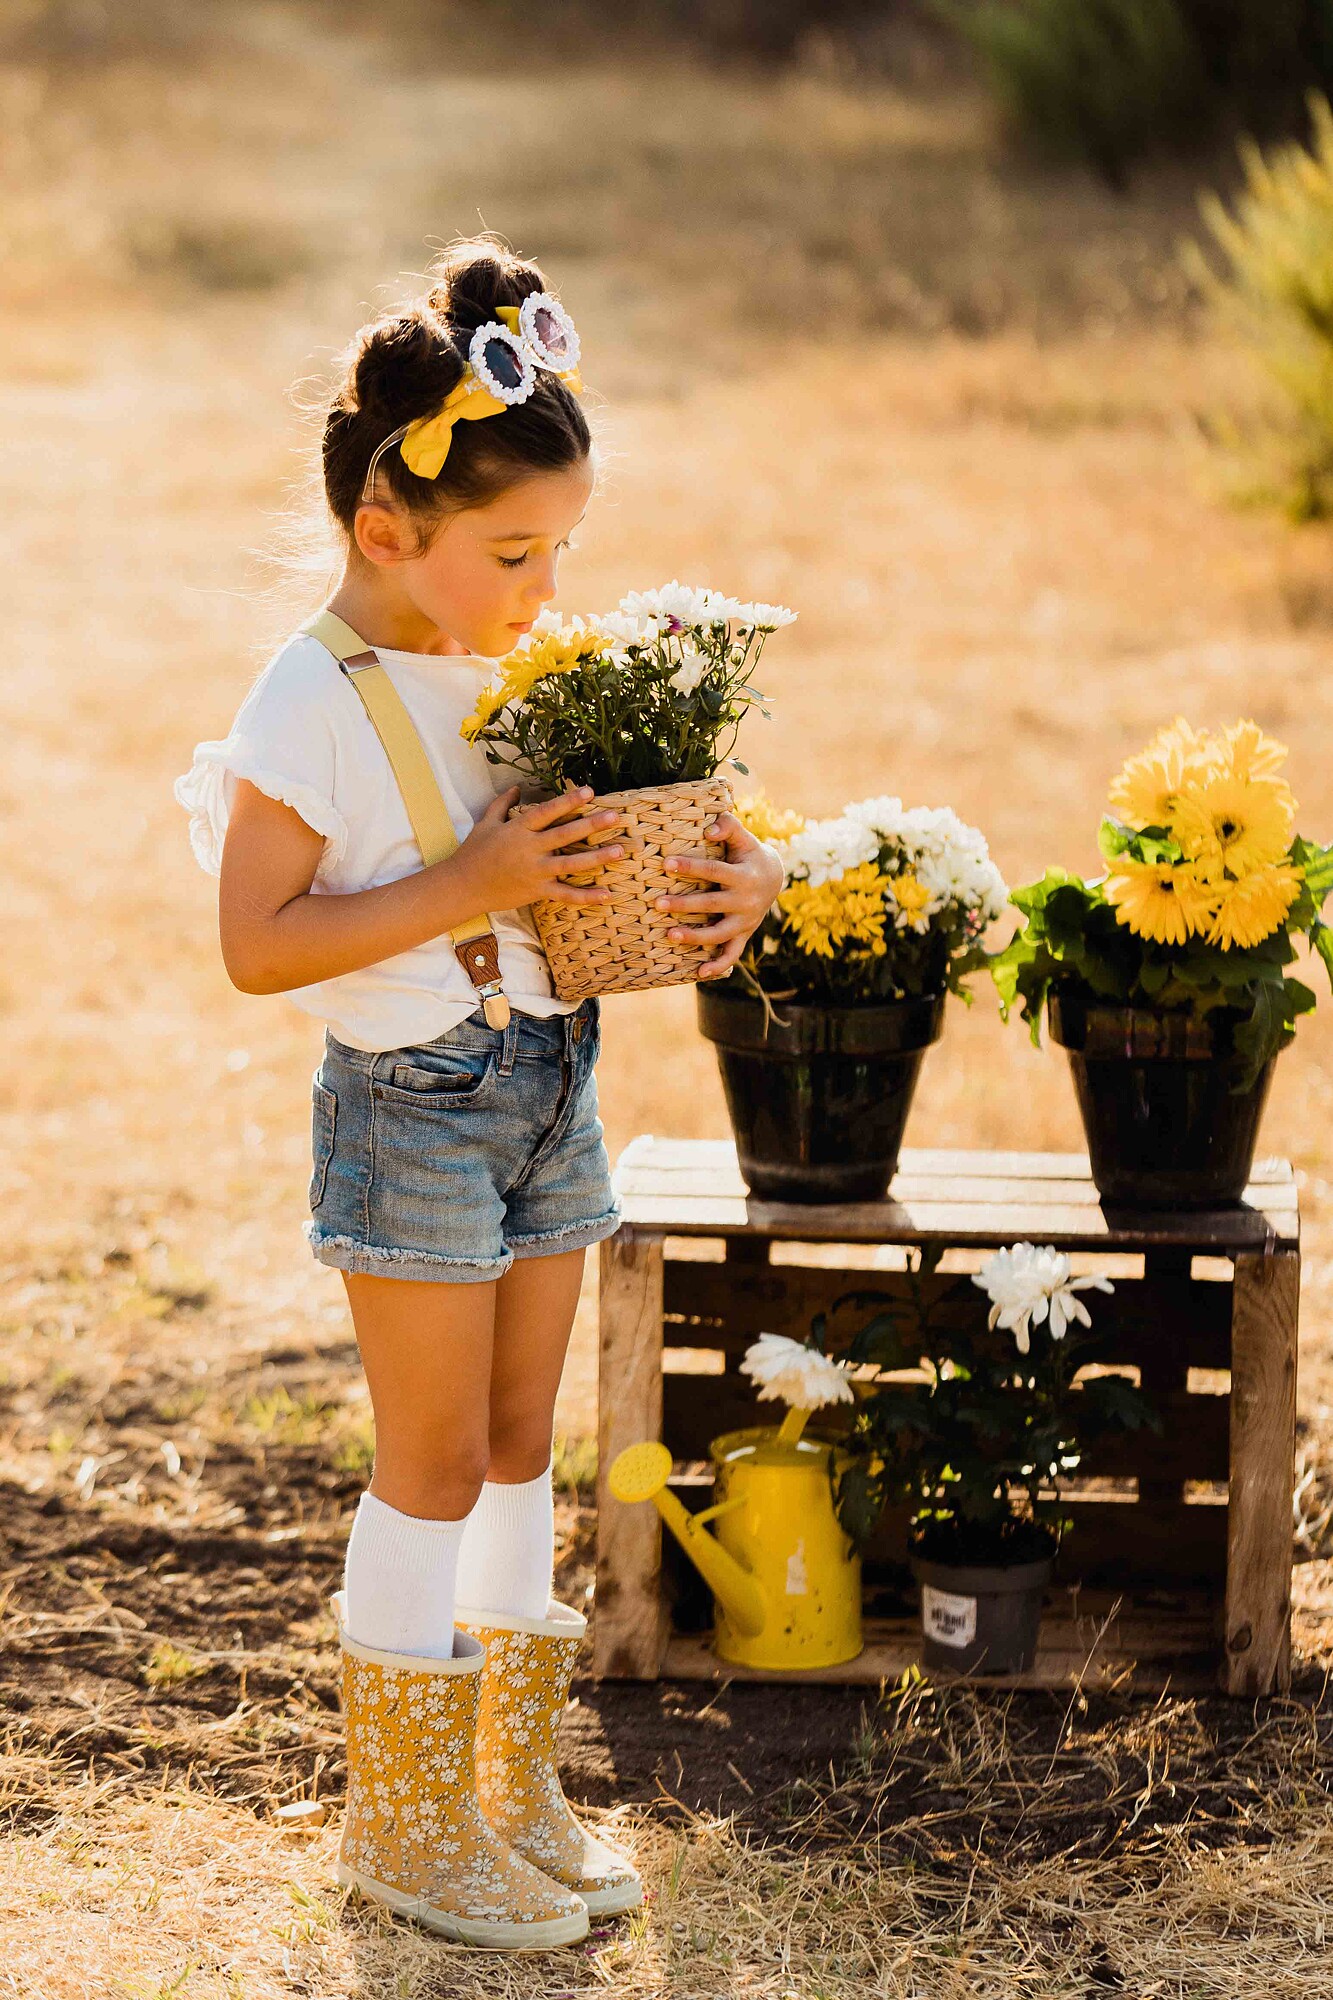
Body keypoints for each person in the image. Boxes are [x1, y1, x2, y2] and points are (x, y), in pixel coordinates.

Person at [176, 237, 783, 1951]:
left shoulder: (517, 670)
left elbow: (652, 831)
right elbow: (257, 946)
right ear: (389, 531)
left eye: (559, 553)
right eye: (514, 552)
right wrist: (475, 875)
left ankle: (507, 1792)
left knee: (524, 1450)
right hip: (414, 1107)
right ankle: (405, 1830)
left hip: (548, 1086)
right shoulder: (311, 698)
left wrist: (754, 875)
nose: (541, 587)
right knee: (431, 1461)